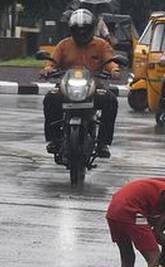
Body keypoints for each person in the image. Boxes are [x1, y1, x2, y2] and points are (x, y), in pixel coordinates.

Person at [41, 9, 120, 158]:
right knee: (50, 99)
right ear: (72, 30)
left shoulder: (101, 45)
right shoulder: (63, 45)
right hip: (66, 88)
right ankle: (54, 139)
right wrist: (47, 70)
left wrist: (114, 70)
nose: (82, 33)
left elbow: (110, 62)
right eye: (78, 30)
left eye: (85, 30)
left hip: (94, 87)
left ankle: (103, 142)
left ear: (92, 29)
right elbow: (52, 62)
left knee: (111, 101)